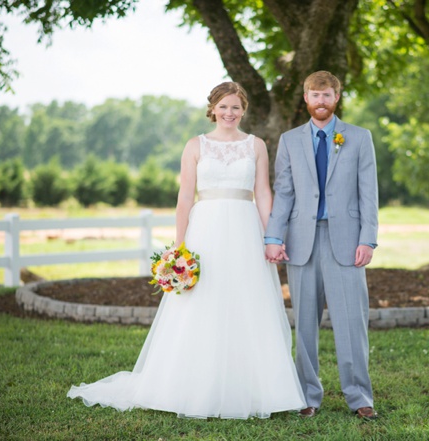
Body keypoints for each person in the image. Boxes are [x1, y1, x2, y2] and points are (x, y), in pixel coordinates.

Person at [68, 82, 306, 419]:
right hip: (205, 230)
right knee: (202, 301)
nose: (229, 113)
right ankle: (188, 386)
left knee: (247, 300)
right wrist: (179, 249)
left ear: (244, 110)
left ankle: (256, 388)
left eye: (236, 107)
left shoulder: (256, 146)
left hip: (244, 228)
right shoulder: (196, 145)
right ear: (212, 109)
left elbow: (263, 193)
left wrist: (272, 238)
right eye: (224, 106)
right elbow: (185, 198)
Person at [264, 71, 379, 420]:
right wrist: (273, 236)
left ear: (336, 97)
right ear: (306, 98)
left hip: (345, 241)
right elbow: (284, 191)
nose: (321, 102)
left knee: (351, 323)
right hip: (301, 242)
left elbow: (369, 193)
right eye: (315, 95)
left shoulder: (358, 138)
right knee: (306, 325)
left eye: (327, 95)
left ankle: (359, 397)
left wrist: (367, 239)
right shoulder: (289, 140)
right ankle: (307, 395)